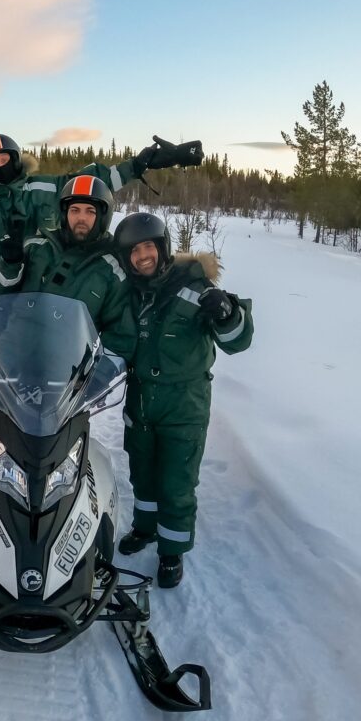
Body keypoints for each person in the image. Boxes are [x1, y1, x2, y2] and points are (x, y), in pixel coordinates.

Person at [112, 212, 254, 588]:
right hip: (140, 400)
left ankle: (172, 551)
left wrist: (227, 313)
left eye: (149, 248)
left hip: (185, 404)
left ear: (162, 248)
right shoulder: (127, 292)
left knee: (176, 481)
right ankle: (145, 528)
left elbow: (237, 340)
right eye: (134, 251)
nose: (143, 256)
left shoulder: (197, 287)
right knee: (143, 474)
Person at [0, 118, 202, 274]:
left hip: (52, 282)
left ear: (17, 160)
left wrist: (140, 163)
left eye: (5, 159)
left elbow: (90, 180)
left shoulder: (45, 187)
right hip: (2, 283)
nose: (0, 166)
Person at [0, 175, 136, 360]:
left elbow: (120, 335)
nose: (81, 218)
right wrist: (10, 263)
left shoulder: (112, 269)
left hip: (67, 371)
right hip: (9, 356)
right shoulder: (37, 245)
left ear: (103, 216)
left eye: (90, 211)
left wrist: (100, 374)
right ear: (64, 213)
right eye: (75, 210)